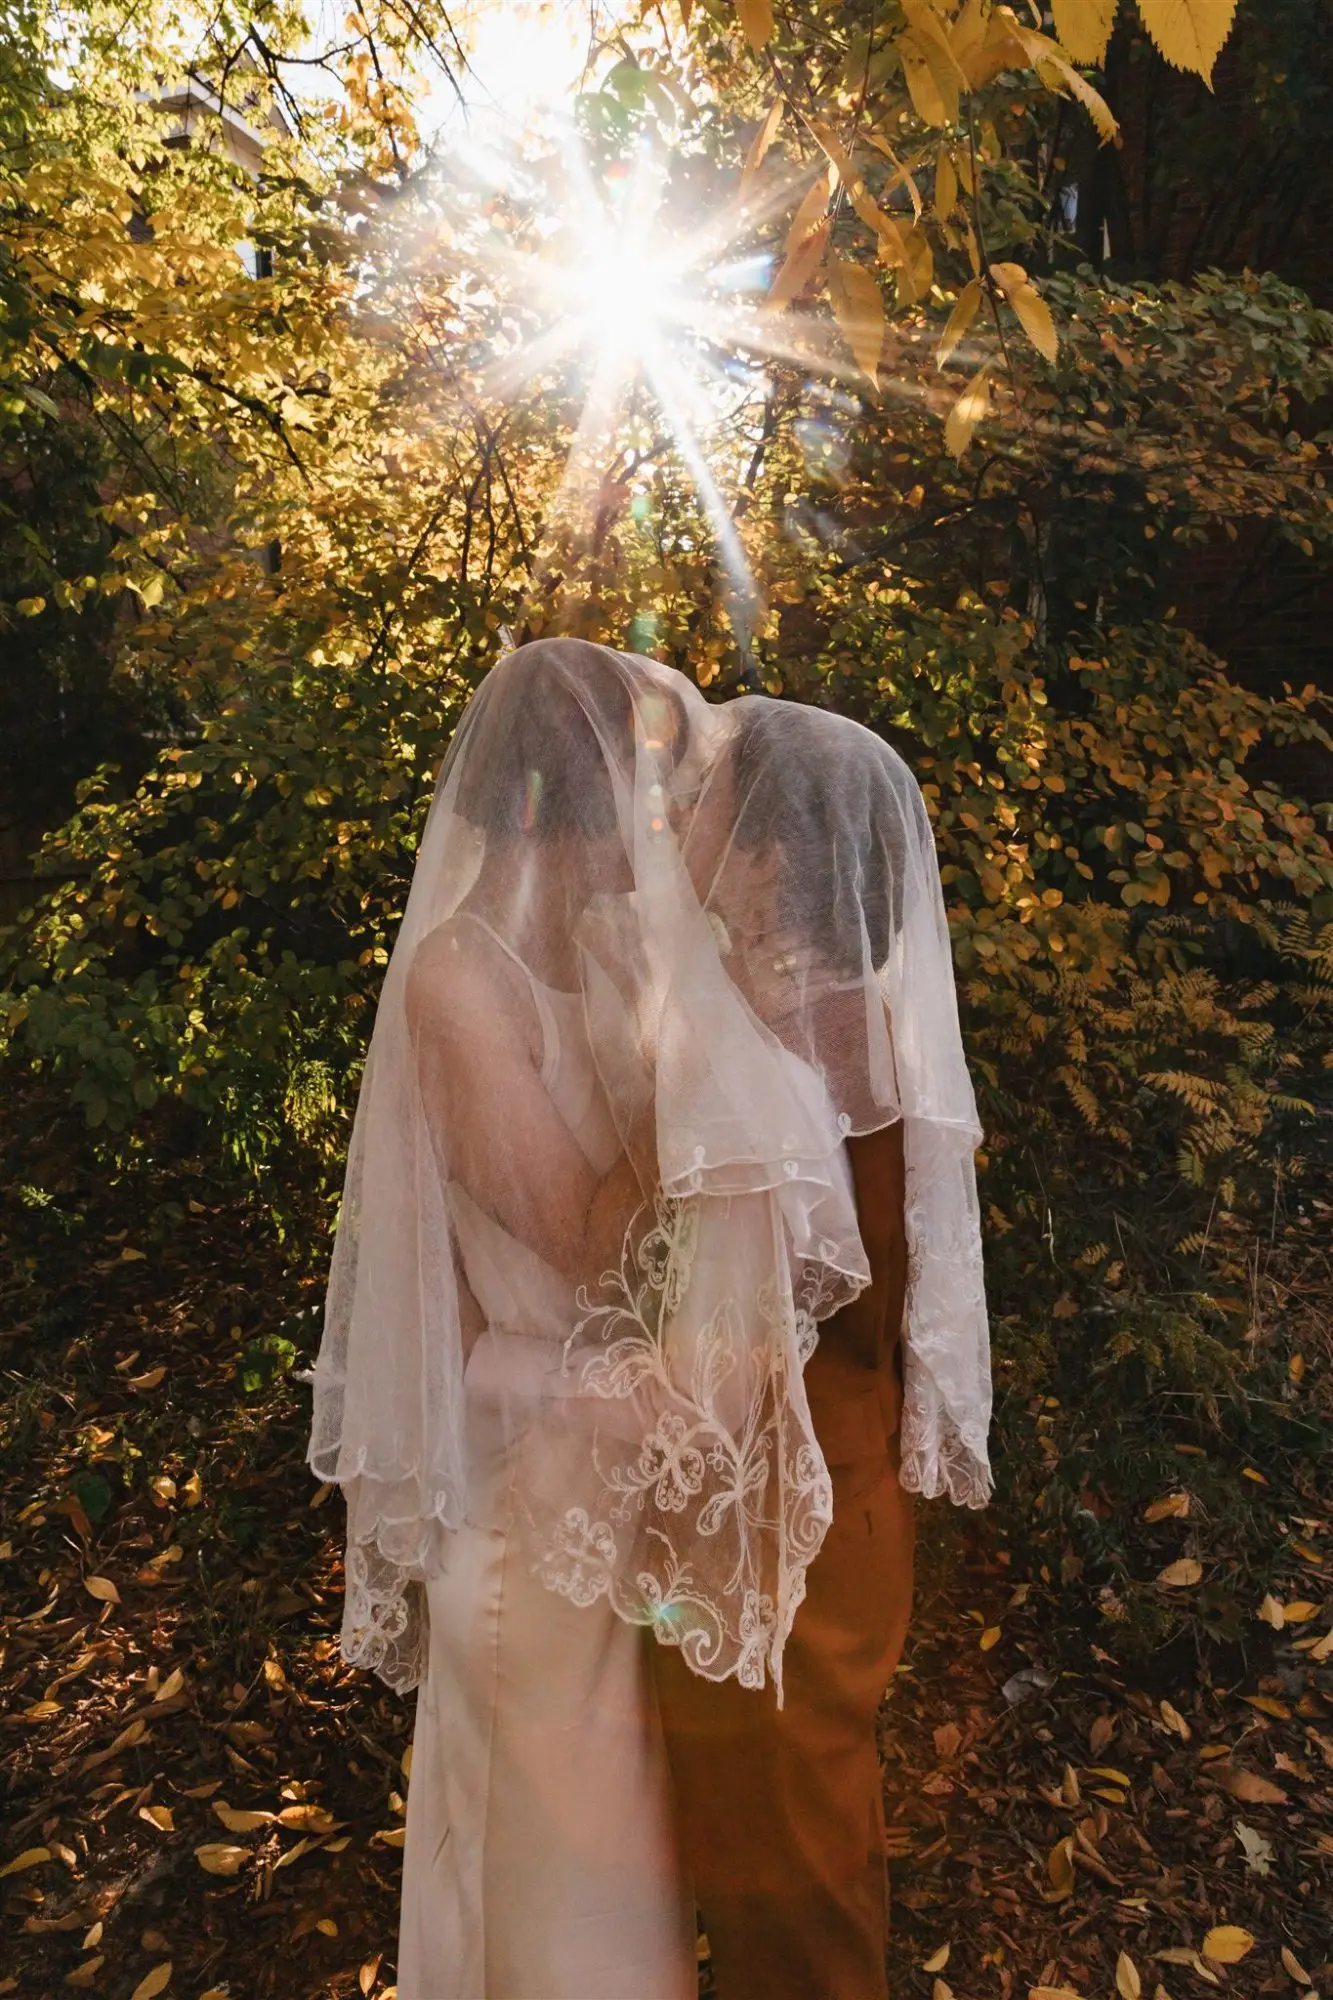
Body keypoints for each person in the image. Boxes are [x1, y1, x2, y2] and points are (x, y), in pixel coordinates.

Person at [308, 639, 991, 2000]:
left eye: (686, 795)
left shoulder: (646, 960)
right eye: (653, 786)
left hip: (667, 1470)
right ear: (566, 804)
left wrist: (725, 1050)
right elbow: (584, 1228)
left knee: (669, 1865)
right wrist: (721, 1070)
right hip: (554, 1475)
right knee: (565, 1884)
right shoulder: (465, 979)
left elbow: (749, 1231)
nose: (672, 819)